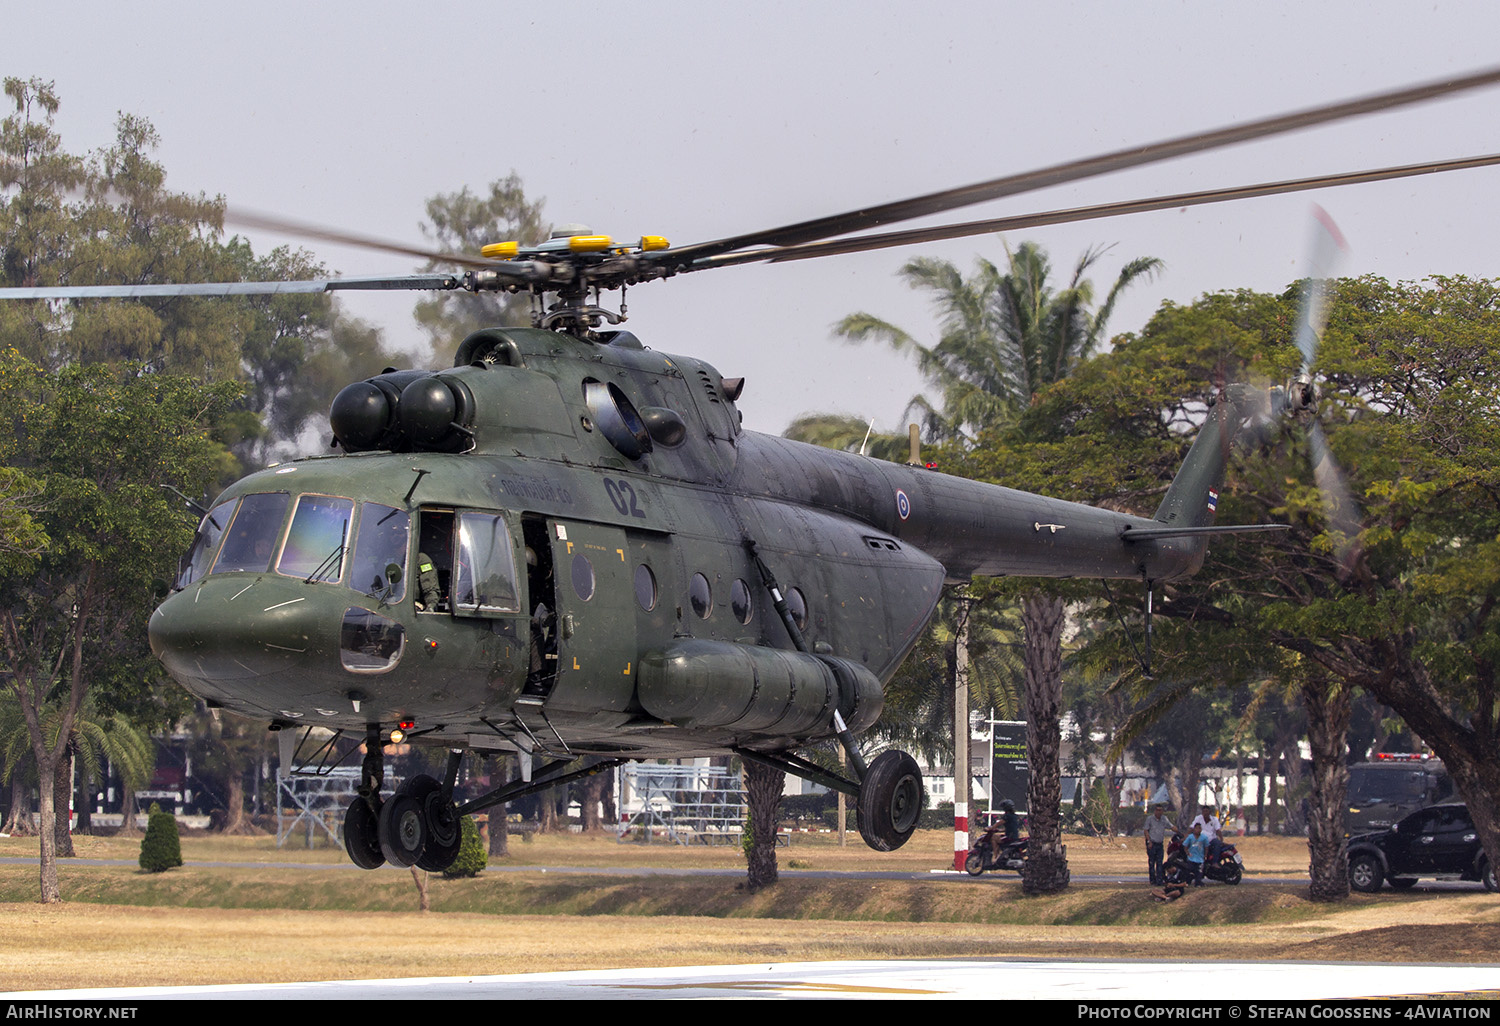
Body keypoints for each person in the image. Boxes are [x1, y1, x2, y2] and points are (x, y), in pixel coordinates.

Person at [1144, 804, 1169, 885]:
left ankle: (1159, 880)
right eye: (1157, 810)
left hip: (1159, 844)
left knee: (1159, 863)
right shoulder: (1150, 819)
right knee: (1152, 862)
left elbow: (1171, 826)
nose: (1159, 812)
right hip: (1152, 843)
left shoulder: (1164, 819)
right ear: (1155, 811)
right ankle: (1152, 880)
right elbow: (1146, 831)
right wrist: (1149, 842)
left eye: (1160, 810)